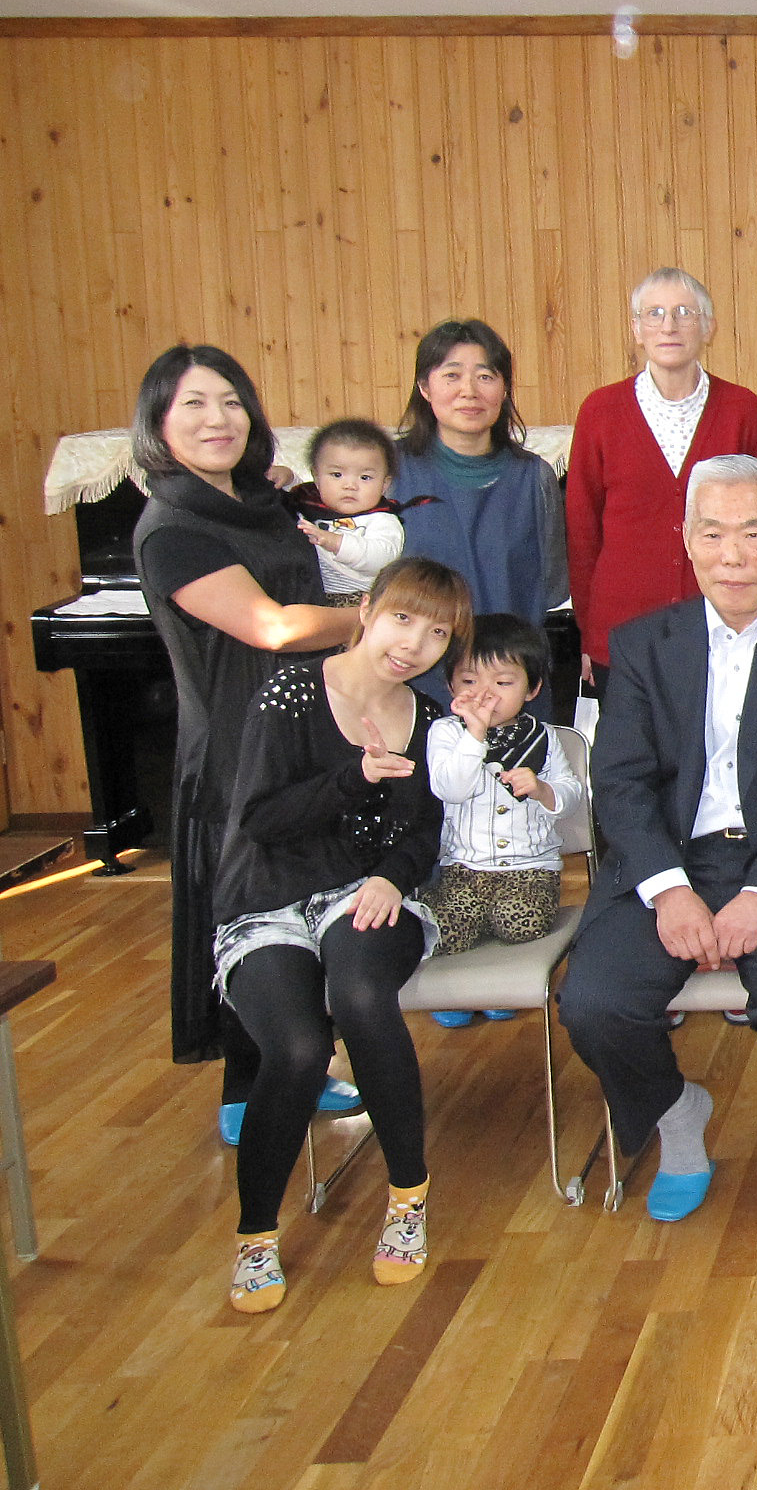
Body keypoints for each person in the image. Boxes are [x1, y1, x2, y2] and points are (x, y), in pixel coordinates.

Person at [559, 455, 757, 1223]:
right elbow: (622, 782)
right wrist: (669, 890)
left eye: (753, 533)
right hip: (670, 858)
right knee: (594, 1004)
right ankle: (675, 1111)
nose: (734, 555)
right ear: (689, 542)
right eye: (714, 534)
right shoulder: (640, 645)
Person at [208, 556, 470, 1312]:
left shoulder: (426, 718)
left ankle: (408, 1193)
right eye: (401, 618)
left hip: (368, 889)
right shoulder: (291, 693)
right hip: (270, 898)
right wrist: (354, 777)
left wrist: (393, 875)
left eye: (435, 632)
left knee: (359, 994)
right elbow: (261, 820)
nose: (413, 642)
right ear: (367, 611)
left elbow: (424, 832)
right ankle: (256, 1233)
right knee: (294, 1047)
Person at [129, 346, 366, 1143]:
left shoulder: (261, 505)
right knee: (249, 909)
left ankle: (301, 1065)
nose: (217, 420)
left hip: (300, 731)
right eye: (193, 404)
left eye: (230, 402)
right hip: (237, 749)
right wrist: (377, 618)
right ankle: (246, 1091)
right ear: (159, 422)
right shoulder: (172, 529)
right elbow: (270, 625)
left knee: (307, 896)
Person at [567, 267, 757, 698]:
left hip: (723, 627)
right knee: (634, 758)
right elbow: (582, 531)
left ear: (708, 326)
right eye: (654, 313)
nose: (669, 325)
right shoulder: (600, 411)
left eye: (684, 312)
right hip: (622, 634)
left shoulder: (743, 410)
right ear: (636, 329)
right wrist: (589, 634)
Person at [393, 318, 570, 717]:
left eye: (485, 376)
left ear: (505, 388)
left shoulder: (534, 477)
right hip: (412, 684)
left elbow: (553, 588)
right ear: (425, 387)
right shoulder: (389, 471)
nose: (468, 392)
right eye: (451, 375)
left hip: (509, 692)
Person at [422, 613, 583, 1028]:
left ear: (533, 689)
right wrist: (474, 736)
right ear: (450, 686)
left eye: (503, 683)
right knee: (441, 931)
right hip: (463, 867)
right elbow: (450, 788)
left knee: (520, 923)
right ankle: (461, 993)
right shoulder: (445, 732)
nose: (485, 696)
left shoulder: (544, 738)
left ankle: (497, 984)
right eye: (469, 681)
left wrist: (544, 789)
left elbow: (570, 793)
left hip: (531, 868)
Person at [291, 417, 419, 604]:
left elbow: (381, 558)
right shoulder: (309, 503)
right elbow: (288, 501)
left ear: (384, 484)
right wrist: (288, 479)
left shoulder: (382, 519)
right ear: (316, 478)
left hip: (360, 600)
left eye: (365, 477)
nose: (350, 485)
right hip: (312, 597)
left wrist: (336, 542)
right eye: (337, 475)